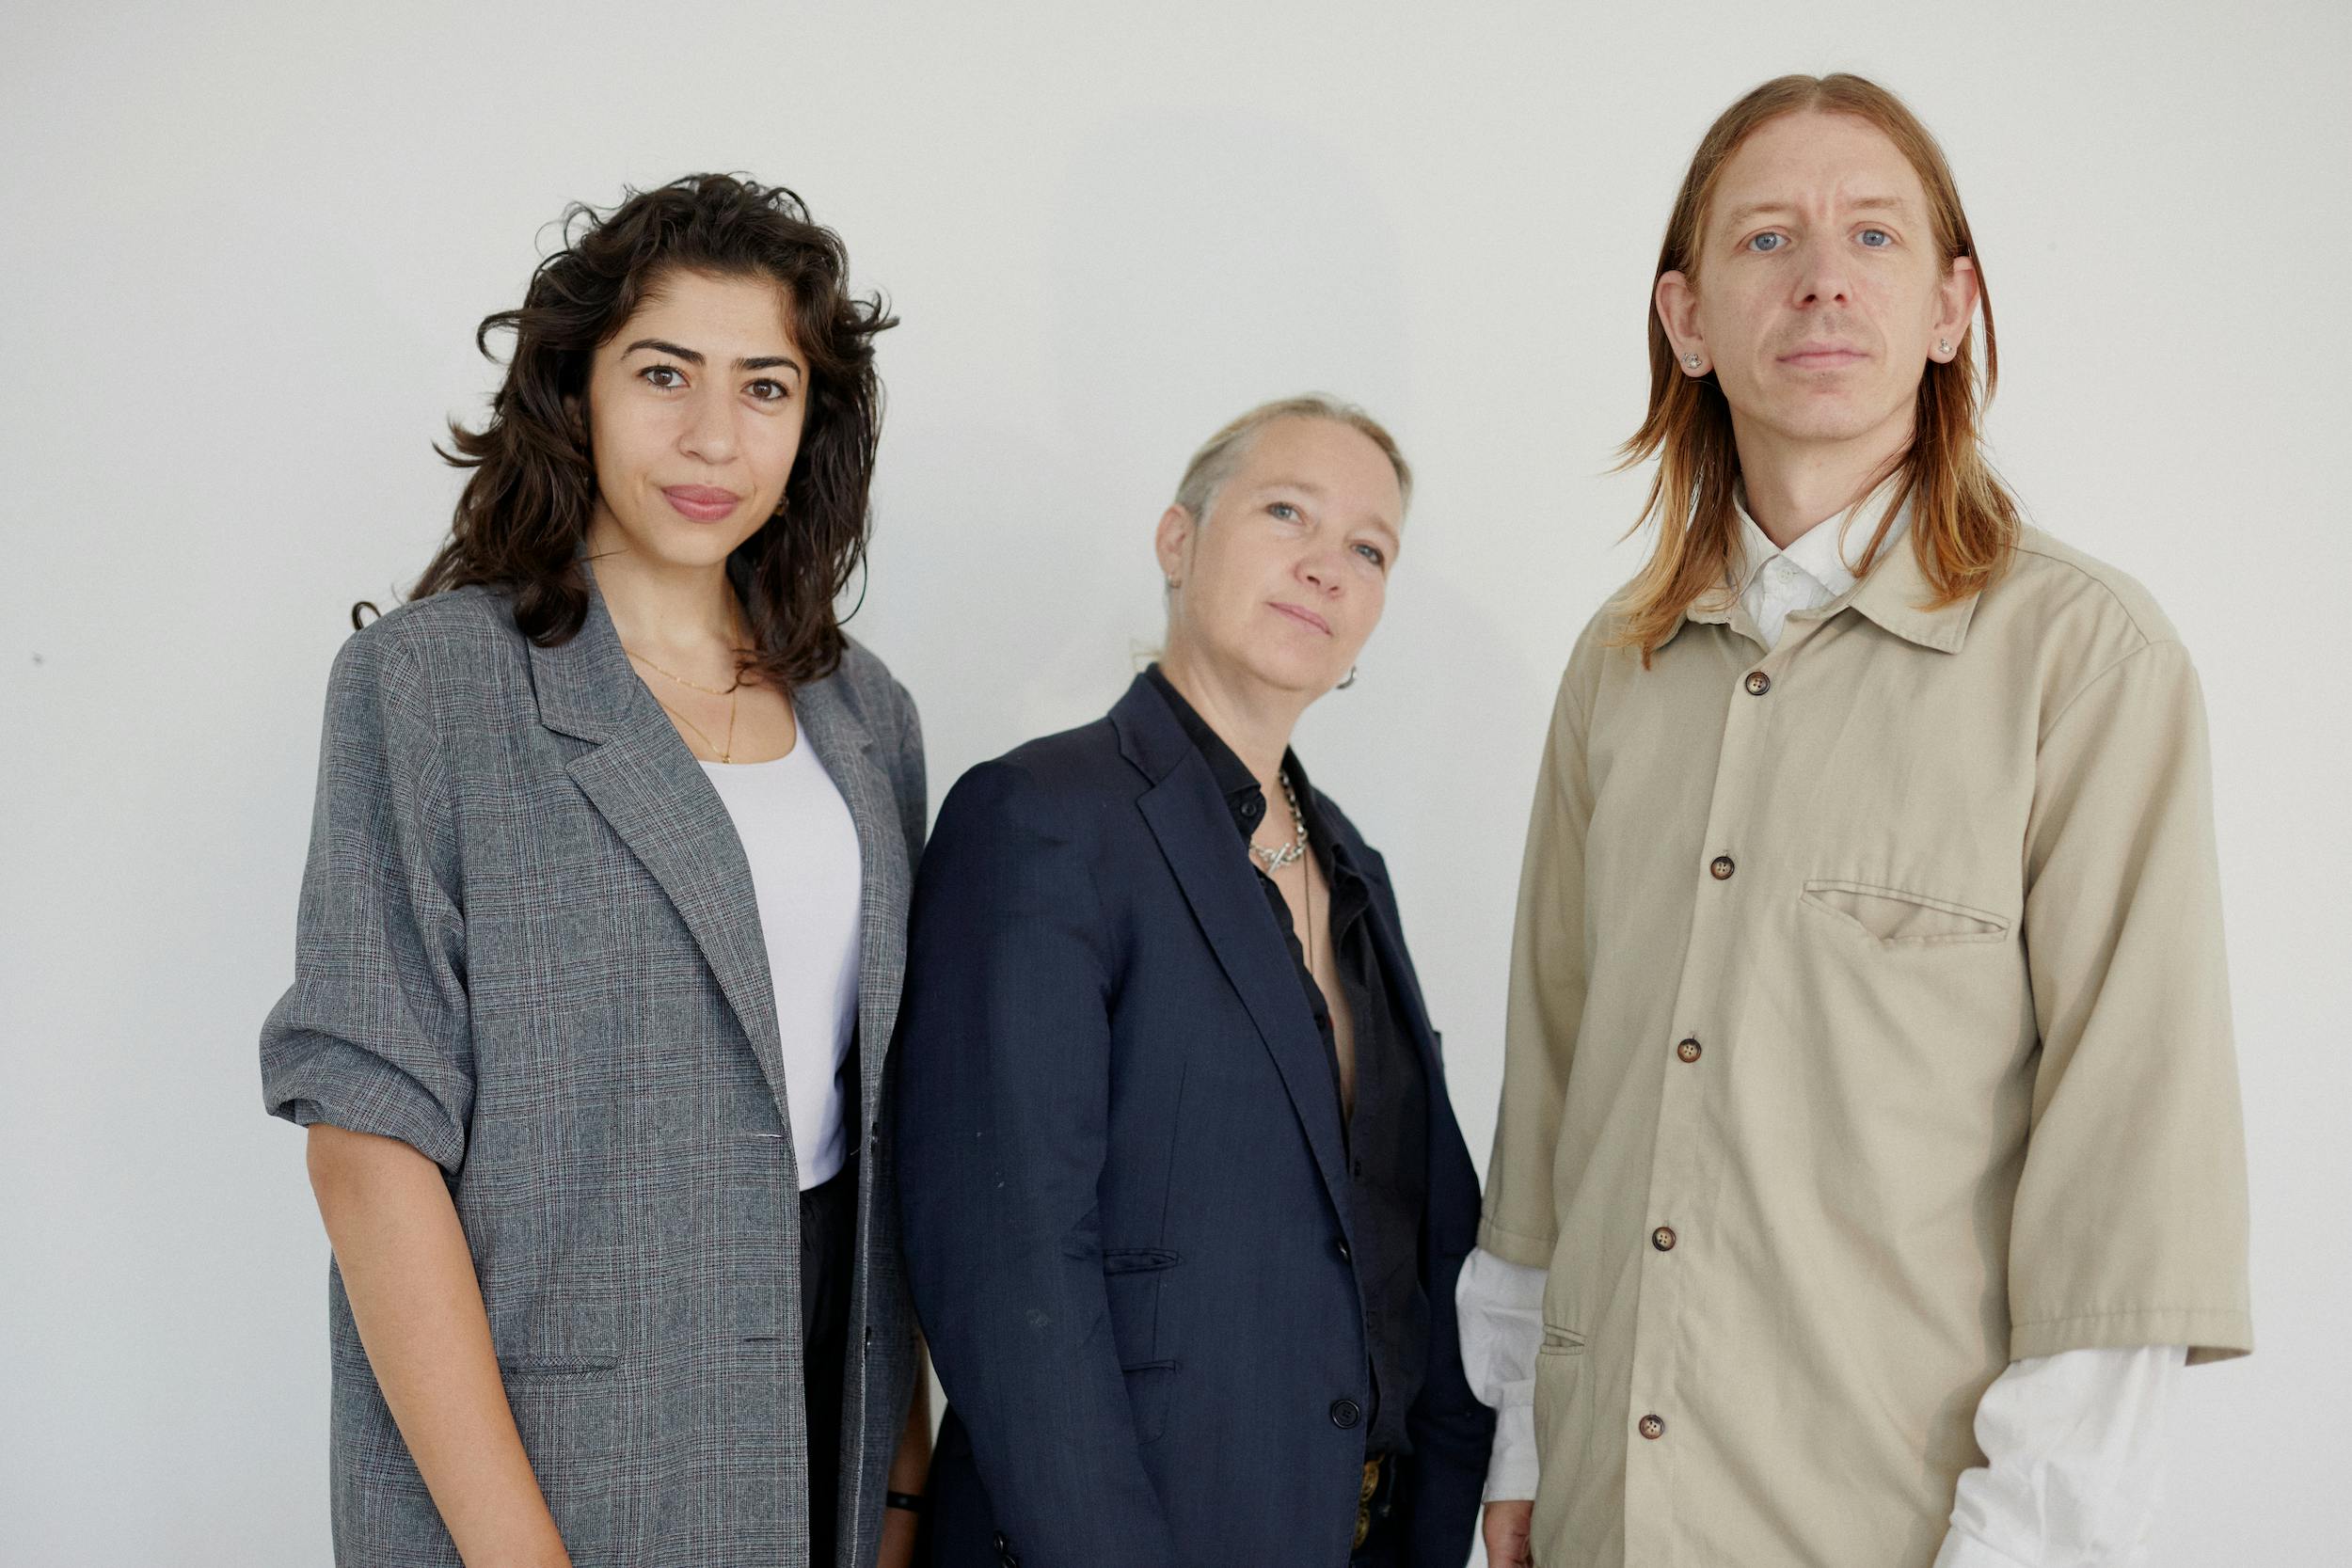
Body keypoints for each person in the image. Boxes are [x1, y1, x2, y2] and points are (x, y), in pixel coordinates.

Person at [1462, 73, 2254, 1568]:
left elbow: (2127, 1184)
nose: (1824, 275)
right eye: (1767, 238)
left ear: (1954, 306)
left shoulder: (2084, 662)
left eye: (1876, 236)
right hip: (1593, 1524)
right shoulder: (1615, 668)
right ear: (1686, 321)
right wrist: (1523, 1438)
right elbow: (1554, 1087)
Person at [260, 174, 932, 1568]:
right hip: (547, 1452)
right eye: (664, 373)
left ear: (812, 425)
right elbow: (368, 1148)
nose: (711, 435)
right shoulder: (432, 686)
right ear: (574, 391)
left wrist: (900, 1478)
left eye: (764, 387)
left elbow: (883, 1131)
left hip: (822, 1427)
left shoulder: (866, 716)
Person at [893, 397, 1494, 1567]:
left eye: (1367, 550)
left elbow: (1400, 1223)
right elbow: (1008, 1271)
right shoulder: (1042, 819)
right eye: (1286, 513)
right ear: (1178, 541)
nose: (1325, 567)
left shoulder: (1351, 863)